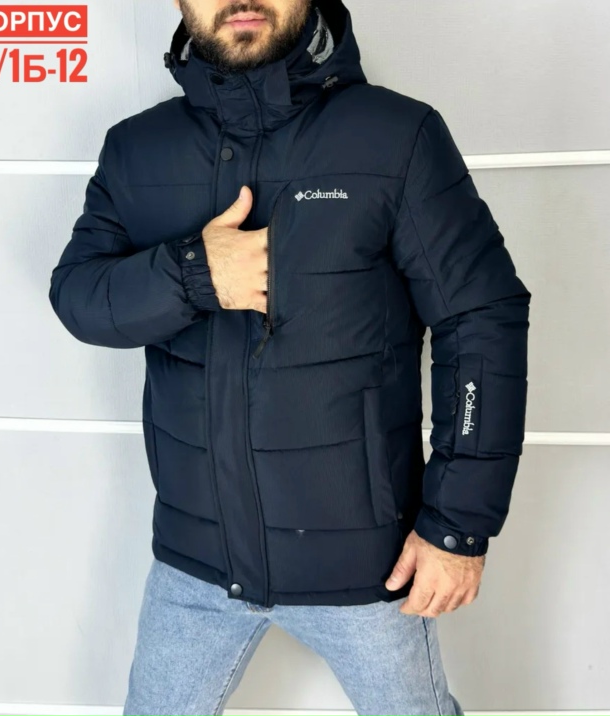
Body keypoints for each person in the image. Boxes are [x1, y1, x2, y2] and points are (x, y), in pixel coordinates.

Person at [48, 0, 531, 713]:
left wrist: (458, 526)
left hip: (368, 571)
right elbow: (79, 296)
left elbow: (481, 319)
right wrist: (195, 273)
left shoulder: (396, 138)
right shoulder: (135, 149)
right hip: (195, 569)